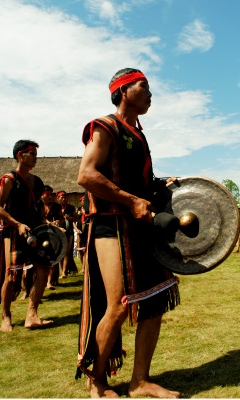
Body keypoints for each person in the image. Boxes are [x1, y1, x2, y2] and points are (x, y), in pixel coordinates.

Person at [76, 68, 181, 398]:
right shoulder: (105, 127)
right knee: (119, 306)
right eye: (144, 86)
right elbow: (87, 175)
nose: (150, 93)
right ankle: (97, 381)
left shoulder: (138, 134)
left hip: (140, 225)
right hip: (111, 224)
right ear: (122, 90)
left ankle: (140, 381)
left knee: (153, 302)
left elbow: (137, 183)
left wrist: (158, 185)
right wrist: (131, 200)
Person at [0, 139, 53, 332]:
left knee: (43, 271)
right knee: (12, 274)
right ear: (20, 155)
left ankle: (31, 315)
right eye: (32, 153)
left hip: (35, 230)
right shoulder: (10, 179)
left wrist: (45, 224)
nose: (36, 158)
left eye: (36, 154)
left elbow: (38, 209)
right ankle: (6, 316)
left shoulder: (37, 182)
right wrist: (17, 224)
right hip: (14, 230)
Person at [39, 185, 62, 290]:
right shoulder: (37, 206)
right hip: (40, 234)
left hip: (53, 235)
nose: (50, 196)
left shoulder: (56, 206)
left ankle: (49, 282)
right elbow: (38, 218)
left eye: (51, 194)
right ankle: (40, 281)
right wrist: (47, 222)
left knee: (53, 257)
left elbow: (61, 218)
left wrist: (57, 221)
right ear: (41, 196)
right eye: (47, 194)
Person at [56, 191, 78, 278]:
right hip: (58, 232)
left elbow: (76, 219)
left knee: (67, 252)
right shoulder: (55, 208)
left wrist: (70, 218)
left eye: (65, 197)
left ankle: (64, 272)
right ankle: (63, 271)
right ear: (58, 198)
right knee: (60, 252)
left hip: (68, 232)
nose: (64, 199)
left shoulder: (71, 208)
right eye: (62, 197)